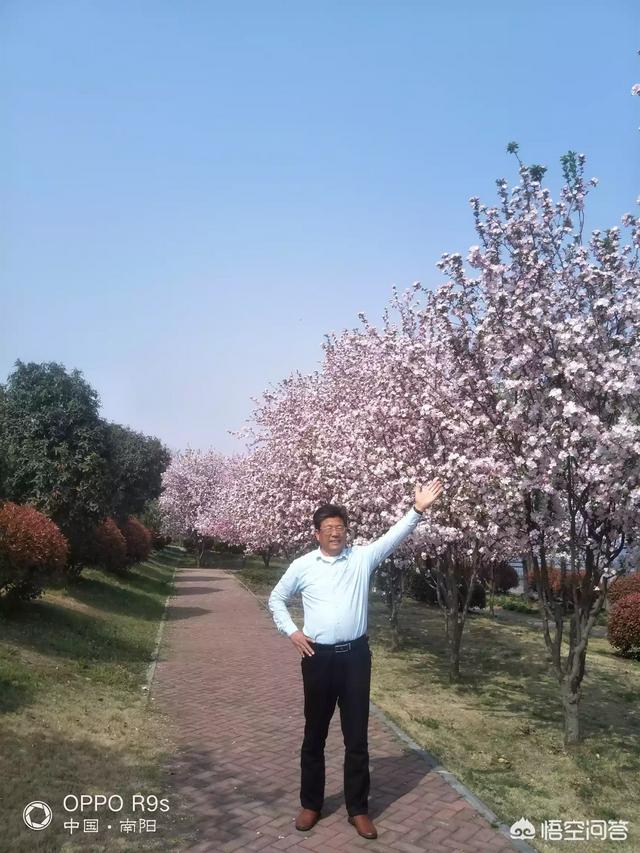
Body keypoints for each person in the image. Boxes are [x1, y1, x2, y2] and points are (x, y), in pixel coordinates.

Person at [267, 478, 443, 840]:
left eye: (340, 527)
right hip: (317, 657)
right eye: (329, 528)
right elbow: (276, 599)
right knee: (314, 734)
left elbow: (393, 538)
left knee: (356, 737)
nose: (336, 533)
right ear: (316, 534)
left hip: (355, 659)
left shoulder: (362, 558)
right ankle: (311, 804)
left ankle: (358, 809)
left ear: (347, 531)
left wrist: (417, 510)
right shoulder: (303, 565)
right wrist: (293, 632)